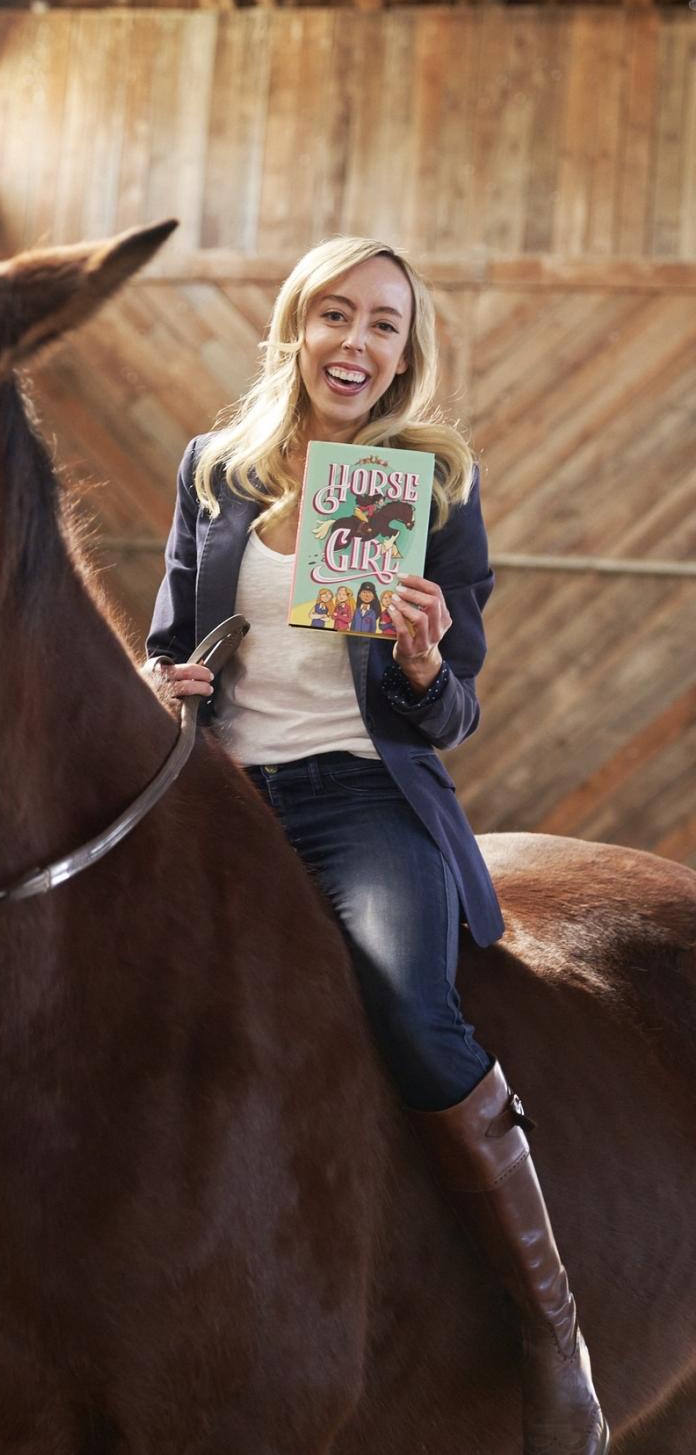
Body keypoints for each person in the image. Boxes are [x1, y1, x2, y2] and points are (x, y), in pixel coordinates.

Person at [144, 236, 607, 1455]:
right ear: (297, 327)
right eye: (336, 315)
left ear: (407, 353)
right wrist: (167, 679)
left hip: (363, 799)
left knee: (412, 1004)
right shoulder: (215, 472)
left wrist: (417, 658)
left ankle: (551, 1336)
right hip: (222, 801)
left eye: (385, 325)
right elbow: (163, 638)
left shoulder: (429, 488)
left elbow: (453, 705)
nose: (357, 342)